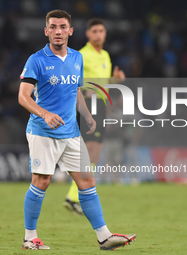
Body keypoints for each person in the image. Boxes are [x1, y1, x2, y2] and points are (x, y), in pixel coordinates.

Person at [18, 10, 136, 250]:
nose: (58, 31)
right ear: (46, 31)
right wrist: (45, 113)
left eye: (63, 27)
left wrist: (88, 115)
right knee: (41, 181)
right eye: (53, 27)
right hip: (43, 131)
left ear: (70, 31)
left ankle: (104, 236)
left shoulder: (76, 58)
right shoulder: (36, 60)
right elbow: (23, 96)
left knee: (87, 180)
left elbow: (76, 91)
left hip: (71, 132)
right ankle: (30, 237)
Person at [64, 18, 126, 214]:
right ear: (88, 34)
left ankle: (75, 196)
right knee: (90, 152)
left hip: (100, 105)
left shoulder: (105, 56)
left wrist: (114, 80)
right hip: (87, 105)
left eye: (101, 31)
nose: (99, 34)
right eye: (95, 31)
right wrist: (85, 90)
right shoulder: (81, 55)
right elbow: (73, 81)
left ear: (105, 34)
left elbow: (104, 83)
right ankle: (75, 196)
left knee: (93, 154)